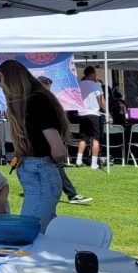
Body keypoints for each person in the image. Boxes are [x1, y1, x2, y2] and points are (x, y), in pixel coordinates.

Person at [0, 60, 67, 232]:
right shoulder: (36, 100)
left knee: (27, 232)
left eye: (3, 86)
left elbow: (58, 149)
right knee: (45, 232)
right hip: (38, 171)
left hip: (40, 172)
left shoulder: (37, 102)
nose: (3, 91)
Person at [37, 77, 92, 206]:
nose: (49, 88)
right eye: (47, 85)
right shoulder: (40, 99)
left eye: (49, 85)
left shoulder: (45, 98)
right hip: (45, 139)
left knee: (56, 167)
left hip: (49, 138)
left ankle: (70, 194)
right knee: (55, 166)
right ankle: (71, 194)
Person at [74, 66, 106, 168]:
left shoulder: (78, 85)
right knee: (95, 139)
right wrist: (108, 113)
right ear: (92, 74)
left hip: (82, 113)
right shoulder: (96, 85)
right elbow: (102, 102)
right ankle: (93, 163)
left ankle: (79, 160)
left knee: (84, 138)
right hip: (93, 113)